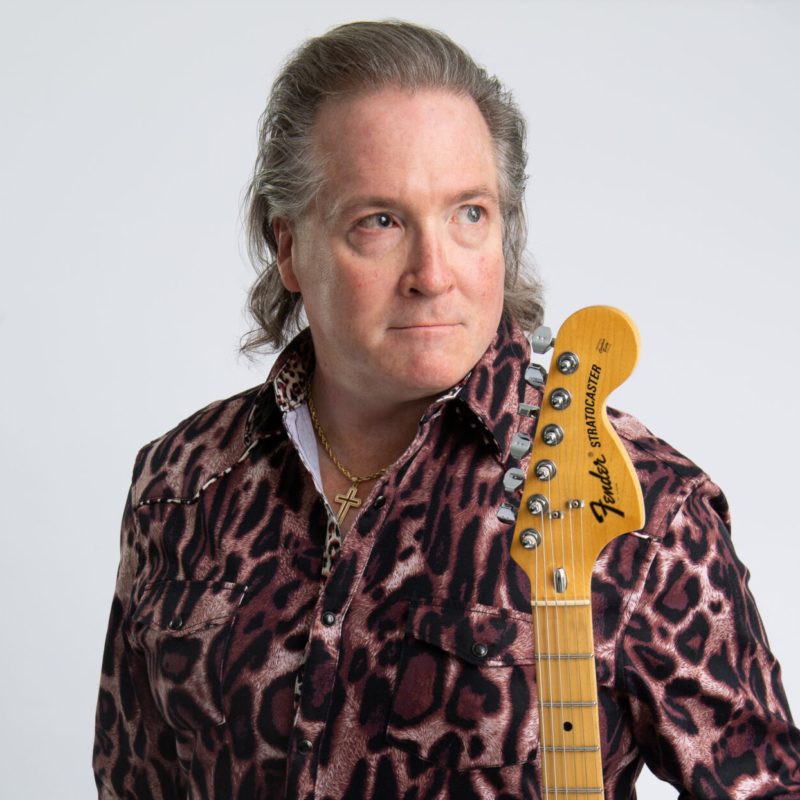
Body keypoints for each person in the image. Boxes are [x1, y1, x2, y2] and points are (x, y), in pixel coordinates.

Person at [92, 20, 800, 800]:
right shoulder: (180, 484)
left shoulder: (640, 506)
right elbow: (134, 780)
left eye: (469, 213)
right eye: (381, 222)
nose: (434, 274)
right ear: (289, 247)